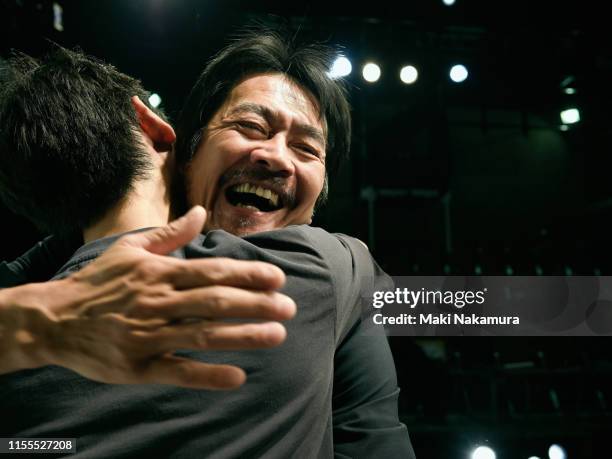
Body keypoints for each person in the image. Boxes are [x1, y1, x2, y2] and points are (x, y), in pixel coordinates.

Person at [0, 33, 415, 458]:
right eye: (250, 126)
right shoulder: (337, 268)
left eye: (306, 147)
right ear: (186, 152)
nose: (275, 156)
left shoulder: (335, 281)